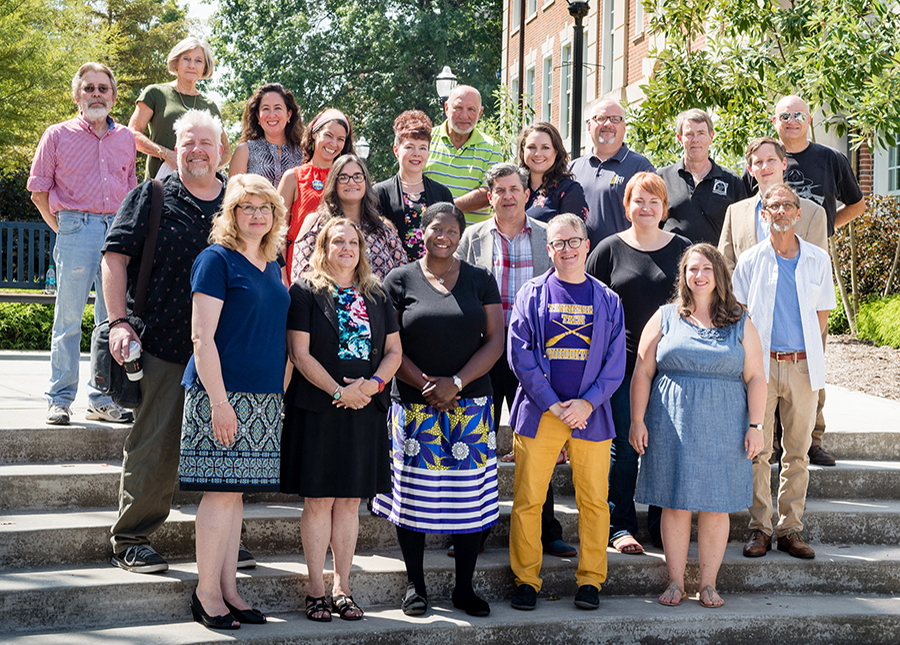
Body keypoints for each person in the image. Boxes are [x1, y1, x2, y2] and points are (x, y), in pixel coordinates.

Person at [102, 109, 254, 572]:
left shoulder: (240, 199)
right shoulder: (150, 195)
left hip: (228, 349)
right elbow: (114, 258)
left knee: (227, 443)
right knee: (155, 442)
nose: (197, 151)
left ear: (222, 149)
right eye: (188, 142)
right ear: (176, 147)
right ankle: (132, 536)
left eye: (206, 143)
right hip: (165, 342)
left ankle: (223, 538)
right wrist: (118, 322)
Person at [371, 202, 504, 618]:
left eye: (451, 230)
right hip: (413, 405)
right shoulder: (398, 279)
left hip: (471, 405)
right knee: (410, 497)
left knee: (468, 500)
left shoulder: (481, 280)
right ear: (422, 233)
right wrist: (425, 384)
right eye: (435, 229)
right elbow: (389, 344)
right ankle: (415, 585)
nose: (442, 236)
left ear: (461, 235)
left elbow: (495, 342)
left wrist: (457, 383)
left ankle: (464, 588)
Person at [179, 174, 289, 630]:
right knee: (220, 493)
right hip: (220, 394)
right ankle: (206, 594)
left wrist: (279, 392)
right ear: (231, 214)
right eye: (247, 207)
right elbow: (202, 338)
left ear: (275, 215)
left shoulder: (273, 263)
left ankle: (228, 588)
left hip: (263, 399)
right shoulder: (215, 260)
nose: (257, 215)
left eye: (265, 207)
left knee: (236, 495)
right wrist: (220, 404)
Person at [630, 243, 766, 609]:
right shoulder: (665, 317)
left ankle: (708, 584)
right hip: (672, 422)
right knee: (676, 504)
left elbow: (755, 376)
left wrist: (756, 425)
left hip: (725, 424)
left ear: (719, 275)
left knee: (716, 505)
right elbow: (643, 370)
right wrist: (637, 420)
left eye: (706, 268)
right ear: (684, 276)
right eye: (692, 269)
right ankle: (676, 582)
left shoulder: (740, 321)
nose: (699, 275)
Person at [281, 218, 402, 622]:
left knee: (350, 501)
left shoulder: (378, 294)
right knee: (319, 501)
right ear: (324, 246)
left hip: (365, 410)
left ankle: (342, 588)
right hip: (318, 409)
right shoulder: (305, 291)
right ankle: (316, 589)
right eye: (338, 241)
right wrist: (339, 390)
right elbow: (300, 353)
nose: (346, 247)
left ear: (361, 249)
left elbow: (394, 352)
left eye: (353, 241)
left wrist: (372, 385)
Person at [507, 213, 626, 612]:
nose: (567, 249)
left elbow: (615, 363)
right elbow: (519, 354)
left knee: (593, 501)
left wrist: (587, 403)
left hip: (591, 416)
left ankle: (590, 579)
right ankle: (526, 579)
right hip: (540, 413)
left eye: (573, 241)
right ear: (549, 249)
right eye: (558, 243)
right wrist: (552, 402)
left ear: (586, 244)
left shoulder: (608, 299)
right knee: (528, 499)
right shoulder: (531, 294)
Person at [456, 163, 575, 559]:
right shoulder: (472, 238)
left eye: (514, 189)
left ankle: (547, 528)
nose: (507, 196)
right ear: (488, 196)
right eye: (499, 190)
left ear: (527, 193)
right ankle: (475, 528)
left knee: (536, 445)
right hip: (483, 353)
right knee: (478, 443)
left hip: (534, 356)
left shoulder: (547, 237)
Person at [744, 95, 866, 467]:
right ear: (775, 120)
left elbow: (857, 203)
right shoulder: (766, 162)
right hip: (769, 276)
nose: (792, 120)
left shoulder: (831, 159)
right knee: (767, 361)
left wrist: (824, 231)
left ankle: (812, 437)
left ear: (809, 119)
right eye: (785, 115)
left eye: (799, 115)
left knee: (812, 357)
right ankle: (773, 437)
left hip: (810, 277)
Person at [585, 172, 690, 555]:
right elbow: (589, 307)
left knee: (664, 446)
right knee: (626, 447)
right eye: (638, 201)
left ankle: (663, 524)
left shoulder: (683, 248)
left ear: (664, 208)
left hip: (672, 368)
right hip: (622, 368)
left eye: (654, 202)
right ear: (626, 206)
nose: (646, 208)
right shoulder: (608, 250)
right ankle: (621, 525)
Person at [28, 62, 137, 425]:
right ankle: (59, 399)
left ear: (113, 96)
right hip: (76, 226)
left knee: (111, 321)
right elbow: (39, 191)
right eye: (88, 88)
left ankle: (102, 398)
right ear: (77, 95)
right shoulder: (56, 134)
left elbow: (131, 188)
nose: (96, 94)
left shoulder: (125, 138)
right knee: (69, 318)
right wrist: (62, 228)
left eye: (102, 88)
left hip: (117, 232)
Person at [733, 183, 836, 561]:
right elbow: (740, 316)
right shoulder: (750, 261)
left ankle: (790, 529)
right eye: (772, 205)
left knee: (798, 452)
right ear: (764, 214)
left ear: (798, 213)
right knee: (759, 451)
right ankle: (760, 528)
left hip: (802, 367)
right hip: (761, 368)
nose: (780, 211)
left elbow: (822, 316)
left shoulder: (817, 260)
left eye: (786, 205)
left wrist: (800, 352)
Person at [127, 37, 231, 180]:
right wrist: (164, 153)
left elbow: (225, 152)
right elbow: (132, 134)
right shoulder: (156, 93)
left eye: (198, 60)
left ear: (205, 67)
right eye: (186, 59)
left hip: (197, 188)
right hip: (160, 183)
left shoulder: (209, 105)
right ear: (176, 63)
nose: (192, 65)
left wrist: (204, 171)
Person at [291, 154, 406, 282]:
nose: (351, 182)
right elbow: (300, 275)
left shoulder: (383, 228)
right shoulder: (315, 223)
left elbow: (404, 276)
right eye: (343, 178)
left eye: (357, 177)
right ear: (333, 183)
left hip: (381, 301)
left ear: (365, 182)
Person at [719, 137, 827, 271]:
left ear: (784, 163)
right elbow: (724, 263)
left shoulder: (813, 213)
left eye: (771, 160)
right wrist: (737, 291)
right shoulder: (734, 213)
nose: (765, 166)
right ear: (750, 170)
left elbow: (818, 267)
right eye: (758, 162)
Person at [277, 108, 354, 278]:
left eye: (340, 139)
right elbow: (277, 233)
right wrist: (282, 276)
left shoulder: (349, 179)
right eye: (328, 135)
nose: (333, 144)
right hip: (299, 268)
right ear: (314, 133)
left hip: (340, 269)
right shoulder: (293, 177)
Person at [569, 99, 655, 247]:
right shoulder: (572, 169)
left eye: (615, 119)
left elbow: (654, 216)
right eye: (601, 118)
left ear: (624, 127)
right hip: (579, 262)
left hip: (622, 261)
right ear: (589, 126)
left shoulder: (640, 167)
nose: (608, 124)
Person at [374, 110, 453, 261]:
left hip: (434, 273)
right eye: (409, 147)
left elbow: (452, 236)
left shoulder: (442, 193)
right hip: (392, 273)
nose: (416, 153)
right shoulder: (380, 192)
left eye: (422, 148)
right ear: (396, 150)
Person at [657, 109, 746, 244]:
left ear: (711, 137)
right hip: (671, 263)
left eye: (701, 133)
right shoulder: (661, 178)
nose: (695, 140)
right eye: (689, 134)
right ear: (680, 139)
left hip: (716, 263)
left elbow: (743, 230)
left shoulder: (732, 181)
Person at [424, 85, 506, 224]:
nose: (464, 116)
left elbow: (490, 192)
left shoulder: (492, 148)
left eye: (471, 110)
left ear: (480, 113)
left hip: (473, 240)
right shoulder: (425, 140)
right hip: (427, 237)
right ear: (446, 108)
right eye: (458, 108)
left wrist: (444, 211)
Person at [228, 83, 303, 187]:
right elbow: (233, 196)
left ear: (288, 115)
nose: (272, 115)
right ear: (258, 116)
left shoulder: (303, 151)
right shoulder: (245, 150)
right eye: (265, 109)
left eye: (277, 108)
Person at [517, 122, 589, 223]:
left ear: (556, 152)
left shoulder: (569, 190)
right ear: (523, 150)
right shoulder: (515, 188)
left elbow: (573, 235)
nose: (538, 154)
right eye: (531, 147)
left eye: (545, 148)